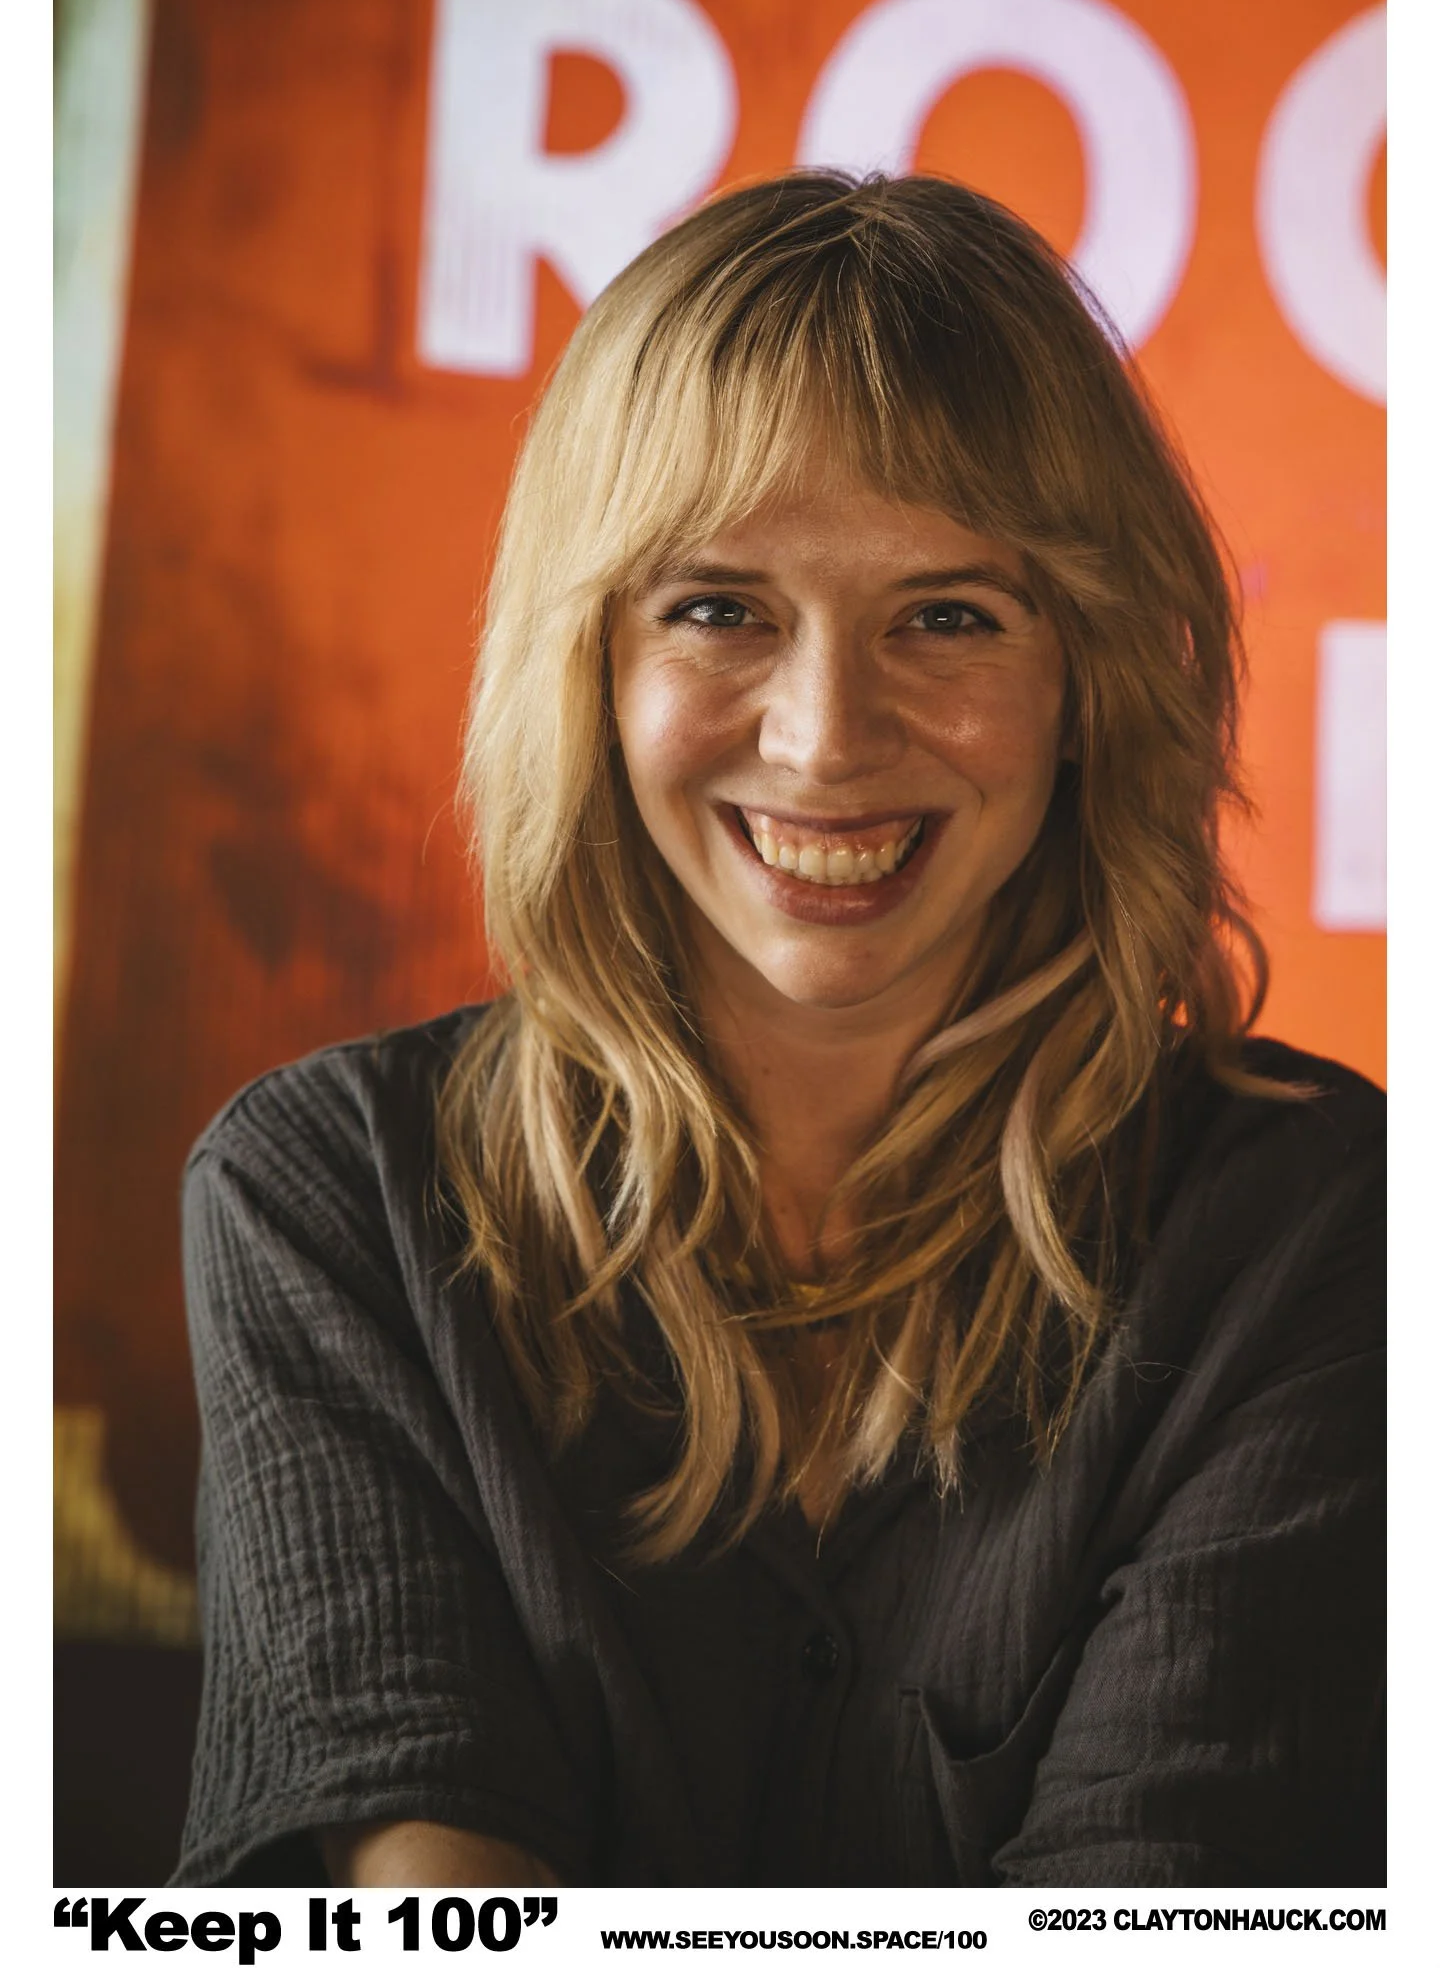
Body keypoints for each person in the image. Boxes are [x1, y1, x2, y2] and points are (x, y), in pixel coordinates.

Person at [174, 173, 1383, 1890]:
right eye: (719, 608)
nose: (824, 740)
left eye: (949, 616)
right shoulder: (323, 1196)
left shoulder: (1327, 1227)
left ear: (1088, 683)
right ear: (589, 666)